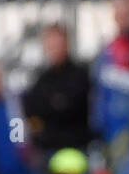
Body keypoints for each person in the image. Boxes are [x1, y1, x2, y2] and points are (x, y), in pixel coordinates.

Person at [23, 23, 92, 162]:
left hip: (74, 152)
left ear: (66, 43)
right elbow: (28, 111)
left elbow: (69, 108)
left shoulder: (79, 75)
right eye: (50, 44)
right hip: (46, 152)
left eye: (57, 43)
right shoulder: (41, 79)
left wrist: (52, 107)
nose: (54, 49)